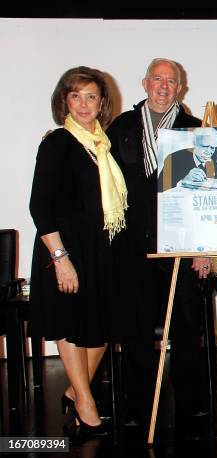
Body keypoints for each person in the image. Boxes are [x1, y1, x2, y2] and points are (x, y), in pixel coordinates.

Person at [106, 58, 211, 427]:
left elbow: (205, 197)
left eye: (172, 81)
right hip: (132, 244)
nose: (164, 86)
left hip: (180, 244)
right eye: (158, 80)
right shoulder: (120, 128)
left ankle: (191, 400)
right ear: (145, 83)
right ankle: (137, 404)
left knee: (185, 323)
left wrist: (203, 250)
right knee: (135, 326)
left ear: (180, 88)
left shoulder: (196, 130)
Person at [29, 66, 126, 436]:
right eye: (75, 96)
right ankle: (86, 409)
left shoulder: (102, 144)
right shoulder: (57, 143)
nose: (84, 104)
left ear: (102, 102)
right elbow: (40, 207)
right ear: (64, 101)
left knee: (100, 330)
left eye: (91, 96)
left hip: (98, 249)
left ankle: (73, 390)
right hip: (66, 250)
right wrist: (60, 259)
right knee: (71, 327)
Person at [157, 127, 217, 191]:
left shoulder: (216, 159)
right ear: (195, 143)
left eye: (212, 147)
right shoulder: (174, 159)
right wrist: (183, 181)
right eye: (205, 146)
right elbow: (160, 189)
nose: (209, 152)